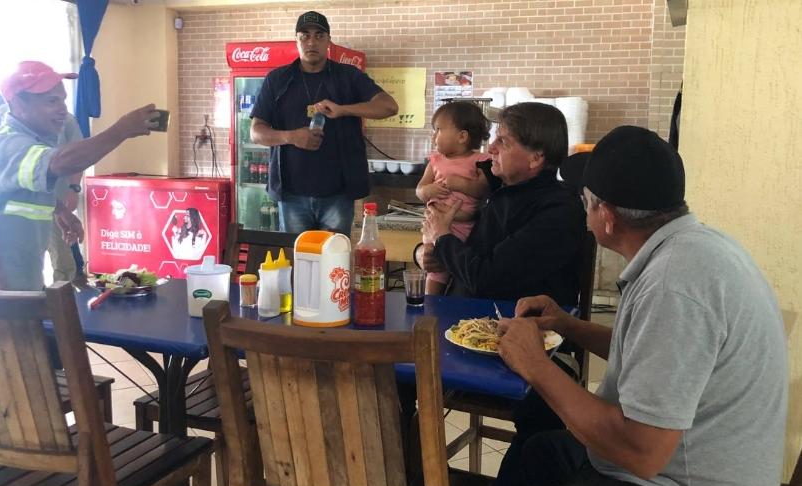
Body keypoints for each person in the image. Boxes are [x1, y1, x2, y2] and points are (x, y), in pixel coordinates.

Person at [452, 126, 788, 486]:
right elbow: (654, 357)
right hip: (684, 482)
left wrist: (535, 365)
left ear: (606, 217)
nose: (583, 211)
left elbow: (641, 452)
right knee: (539, 455)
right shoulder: (694, 248)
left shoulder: (673, 285)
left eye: (585, 201)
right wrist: (568, 325)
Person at [0, 60, 160, 291]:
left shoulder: (34, 138)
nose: (62, 110)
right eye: (52, 101)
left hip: (21, 269)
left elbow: (19, 188)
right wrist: (122, 129)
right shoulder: (7, 143)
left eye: (63, 100)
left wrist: (60, 209)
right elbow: (60, 162)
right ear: (17, 104)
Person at [250, 11, 398, 235]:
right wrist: (292, 137)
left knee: (334, 256)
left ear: (329, 41)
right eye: (305, 36)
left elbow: (389, 106)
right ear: (296, 40)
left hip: (338, 194)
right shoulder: (277, 79)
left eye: (319, 36)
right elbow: (256, 132)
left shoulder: (348, 76)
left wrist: (344, 110)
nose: (311, 42)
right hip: (291, 195)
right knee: (298, 255)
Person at [420, 101, 585, 303]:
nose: (491, 148)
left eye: (503, 142)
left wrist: (441, 238)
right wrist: (423, 254)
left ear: (536, 157)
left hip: (515, 320)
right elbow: (456, 241)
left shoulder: (558, 210)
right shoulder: (495, 187)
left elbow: (486, 278)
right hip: (461, 310)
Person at [0, 103, 84, 282]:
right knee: (13, 271)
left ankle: (64, 293)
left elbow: (79, 158)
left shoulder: (67, 120)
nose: (60, 104)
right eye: (52, 98)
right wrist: (121, 131)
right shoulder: (1, 119)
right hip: (12, 215)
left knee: (61, 255)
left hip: (54, 200)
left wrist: (72, 191)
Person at [416, 101, 491, 295]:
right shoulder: (435, 161)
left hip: (464, 227)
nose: (433, 136)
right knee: (435, 270)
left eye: (438, 130)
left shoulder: (480, 161)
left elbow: (481, 190)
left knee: (458, 268)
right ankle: (431, 302)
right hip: (434, 225)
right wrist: (429, 190)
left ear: (462, 136)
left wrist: (460, 184)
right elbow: (420, 190)